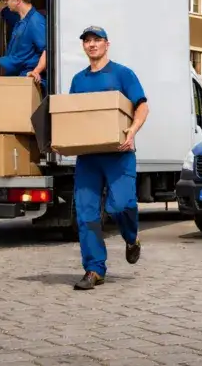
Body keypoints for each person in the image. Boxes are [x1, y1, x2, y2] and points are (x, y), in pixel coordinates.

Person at [69, 26, 150, 291]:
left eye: (97, 40)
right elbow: (71, 117)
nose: (92, 45)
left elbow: (142, 105)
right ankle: (94, 269)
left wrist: (132, 130)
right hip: (89, 157)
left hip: (119, 153)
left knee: (122, 205)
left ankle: (131, 238)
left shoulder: (123, 73)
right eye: (87, 41)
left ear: (107, 44)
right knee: (86, 214)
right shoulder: (78, 81)